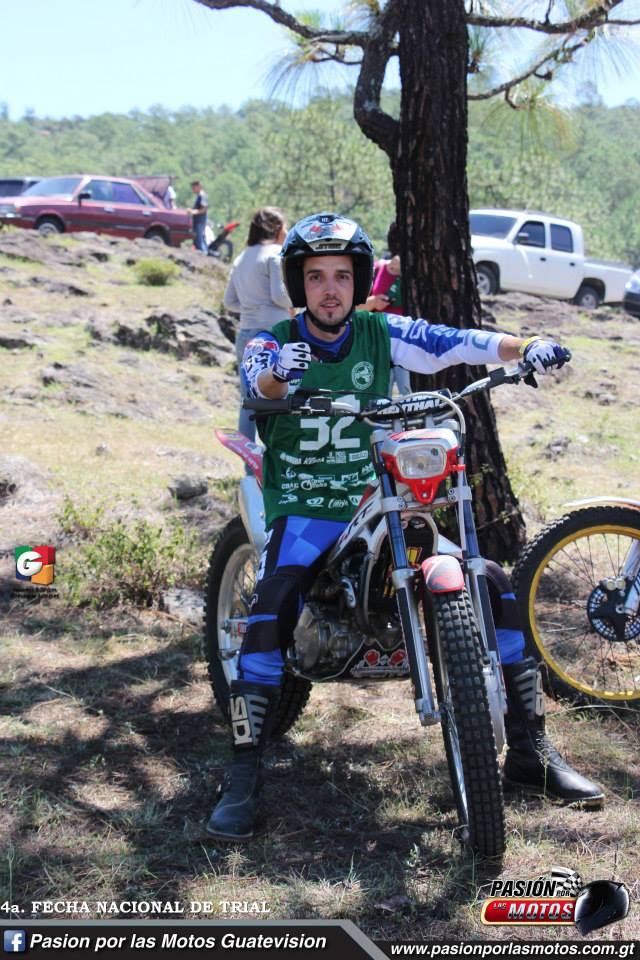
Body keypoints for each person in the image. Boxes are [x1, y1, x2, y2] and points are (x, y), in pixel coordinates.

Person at [206, 212, 604, 841]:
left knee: (493, 581)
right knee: (273, 601)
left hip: (377, 493)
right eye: (317, 277)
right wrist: (284, 372)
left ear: (359, 280)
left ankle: (531, 752)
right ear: (299, 283)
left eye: (342, 276)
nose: (330, 289)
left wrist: (522, 346)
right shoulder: (272, 341)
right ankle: (244, 772)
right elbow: (261, 381)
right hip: (305, 503)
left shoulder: (381, 331)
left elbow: (452, 341)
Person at [223, 207, 292, 444]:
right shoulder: (275, 253)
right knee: (280, 397)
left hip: (245, 334)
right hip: (274, 335)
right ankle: (276, 455)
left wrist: (251, 307)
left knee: (248, 401)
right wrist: (300, 301)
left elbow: (229, 302)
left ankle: (248, 460)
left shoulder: (241, 257)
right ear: (277, 228)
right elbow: (279, 297)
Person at [361, 221, 411, 395]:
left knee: (409, 391)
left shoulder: (421, 271)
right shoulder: (377, 269)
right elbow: (354, 308)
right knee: (383, 390)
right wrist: (374, 302)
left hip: (408, 341)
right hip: (379, 339)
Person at [189, 179, 209, 253]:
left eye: (194, 188)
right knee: (197, 240)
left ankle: (204, 254)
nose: (193, 190)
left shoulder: (202, 195)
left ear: (198, 187)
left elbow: (204, 209)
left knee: (199, 240)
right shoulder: (199, 196)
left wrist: (193, 212)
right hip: (197, 221)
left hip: (200, 221)